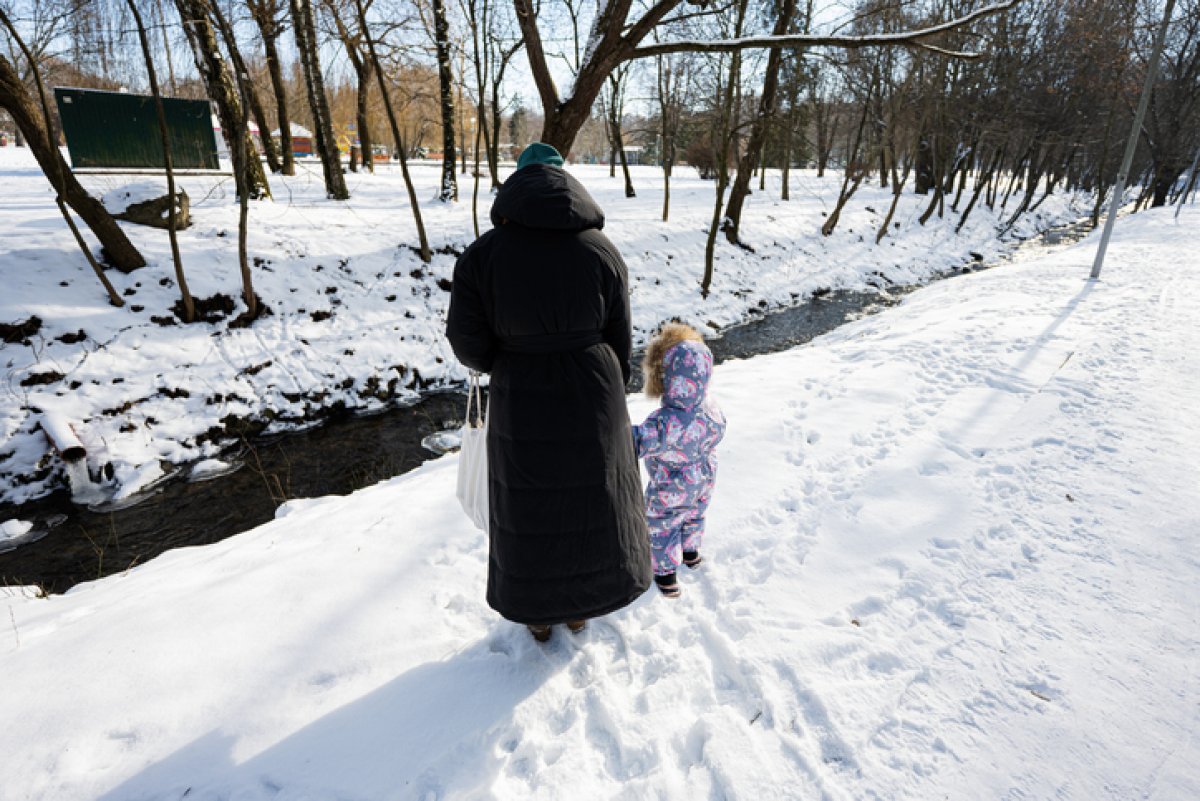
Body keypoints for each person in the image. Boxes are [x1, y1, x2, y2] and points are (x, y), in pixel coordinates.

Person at [446, 142, 652, 641]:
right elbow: (620, 334)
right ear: (568, 183)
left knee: (529, 502)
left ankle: (537, 617)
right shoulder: (601, 249)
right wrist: (610, 385)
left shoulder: (484, 255)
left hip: (521, 390)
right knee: (590, 499)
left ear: (515, 185)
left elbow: (465, 339)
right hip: (593, 388)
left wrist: (507, 361)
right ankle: (582, 607)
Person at [632, 323, 726, 598]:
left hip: (673, 483)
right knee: (695, 514)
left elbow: (636, 442)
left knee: (663, 522)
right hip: (705, 475)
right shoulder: (711, 408)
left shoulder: (665, 422)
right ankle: (691, 552)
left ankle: (665, 574)